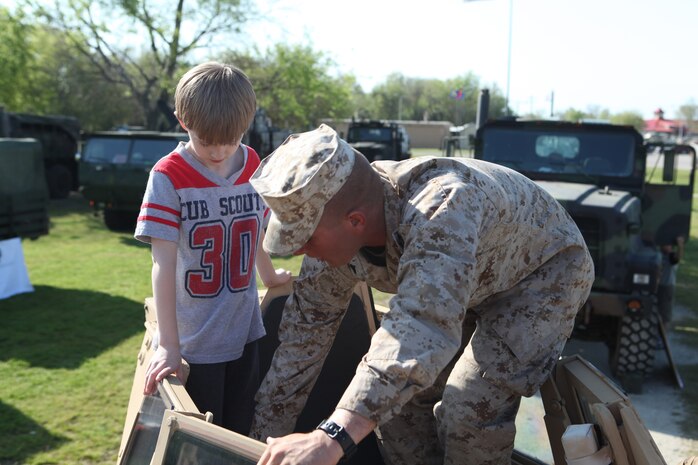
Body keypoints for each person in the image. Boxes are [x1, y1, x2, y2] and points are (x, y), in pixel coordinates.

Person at [248, 124, 595, 465]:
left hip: (541, 277)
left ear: (355, 221)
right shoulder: (333, 241)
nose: (300, 252)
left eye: (306, 238)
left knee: (469, 407)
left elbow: (421, 329)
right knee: (395, 409)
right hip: (471, 280)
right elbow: (299, 349)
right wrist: (254, 449)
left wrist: (331, 437)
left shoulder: (441, 209)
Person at [134, 61, 291, 435]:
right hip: (196, 344)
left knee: (241, 431)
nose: (220, 151)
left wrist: (268, 275)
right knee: (207, 441)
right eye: (207, 141)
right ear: (182, 120)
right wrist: (170, 346)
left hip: (245, 329)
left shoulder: (252, 161)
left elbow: (252, 229)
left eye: (231, 139)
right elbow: (162, 263)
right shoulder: (168, 175)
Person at [658, 236, 684, 325]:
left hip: (666, 287)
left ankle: (662, 338)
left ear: (671, 246)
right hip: (656, 287)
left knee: (665, 316)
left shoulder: (671, 256)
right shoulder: (658, 255)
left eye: (666, 244)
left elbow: (677, 257)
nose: (663, 246)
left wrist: (680, 246)